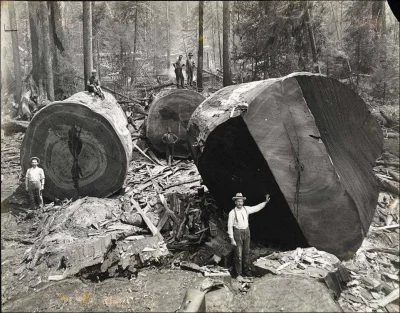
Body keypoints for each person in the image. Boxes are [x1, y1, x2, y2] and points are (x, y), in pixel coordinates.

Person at [227, 192, 270, 280]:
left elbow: (256, 208)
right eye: (238, 201)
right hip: (237, 233)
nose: (240, 203)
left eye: (241, 201)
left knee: (246, 253)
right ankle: (238, 274)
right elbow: (229, 226)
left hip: (247, 232)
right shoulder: (232, 213)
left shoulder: (246, 209)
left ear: (243, 202)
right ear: (235, 202)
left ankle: (246, 270)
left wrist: (265, 202)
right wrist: (232, 239)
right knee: (238, 254)